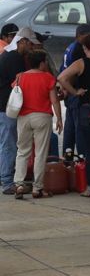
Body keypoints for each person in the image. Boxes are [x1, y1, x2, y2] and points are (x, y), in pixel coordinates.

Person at [58, 34, 90, 198]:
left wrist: (75, 92)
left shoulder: (81, 63)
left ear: (85, 48)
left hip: (87, 109)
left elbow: (61, 78)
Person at [13, 50, 63, 199]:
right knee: (40, 153)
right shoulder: (47, 78)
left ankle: (19, 184)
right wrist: (59, 119)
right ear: (41, 63)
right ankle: (37, 188)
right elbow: (54, 100)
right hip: (42, 117)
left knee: (22, 151)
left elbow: (16, 96)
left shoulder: (20, 77)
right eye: (45, 62)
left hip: (23, 117)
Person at [0, 27, 37, 195]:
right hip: (7, 108)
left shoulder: (9, 55)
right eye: (30, 44)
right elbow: (19, 85)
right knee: (9, 144)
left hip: (5, 107)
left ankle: (6, 178)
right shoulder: (14, 58)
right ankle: (7, 182)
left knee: (7, 143)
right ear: (22, 42)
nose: (32, 48)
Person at [60, 24, 90, 157]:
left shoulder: (71, 47)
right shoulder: (77, 49)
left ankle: (67, 158)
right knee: (78, 129)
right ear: (78, 36)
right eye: (86, 35)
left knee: (70, 128)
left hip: (70, 92)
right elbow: (70, 75)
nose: (89, 38)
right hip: (74, 92)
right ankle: (81, 158)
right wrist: (72, 91)